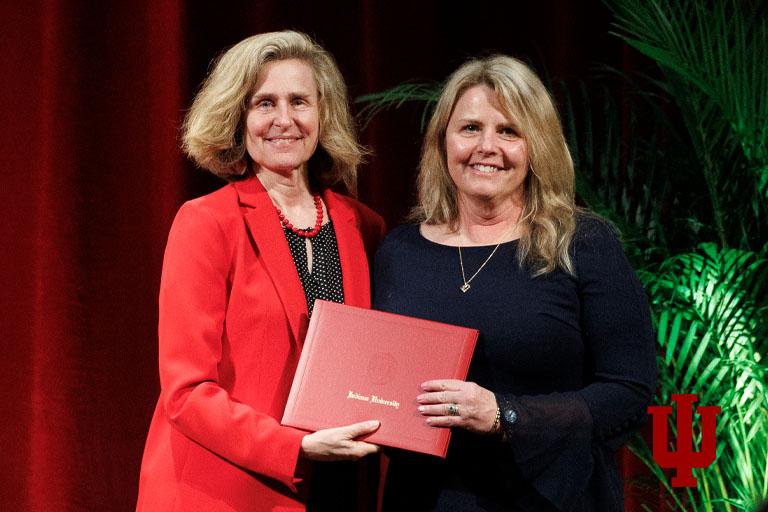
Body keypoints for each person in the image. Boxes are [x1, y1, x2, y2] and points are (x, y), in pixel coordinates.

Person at [373, 55, 656, 511]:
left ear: (536, 146)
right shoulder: (399, 250)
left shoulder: (584, 245)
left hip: (549, 500)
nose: (487, 146)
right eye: (470, 128)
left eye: (509, 131)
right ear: (442, 140)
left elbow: (630, 392)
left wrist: (506, 416)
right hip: (423, 499)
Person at [136, 31, 386, 512]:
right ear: (238, 118)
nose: (284, 120)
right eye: (264, 103)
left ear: (322, 114)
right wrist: (294, 446)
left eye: (300, 101)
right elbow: (186, 393)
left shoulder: (364, 227)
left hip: (336, 485)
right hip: (222, 490)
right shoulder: (207, 222)